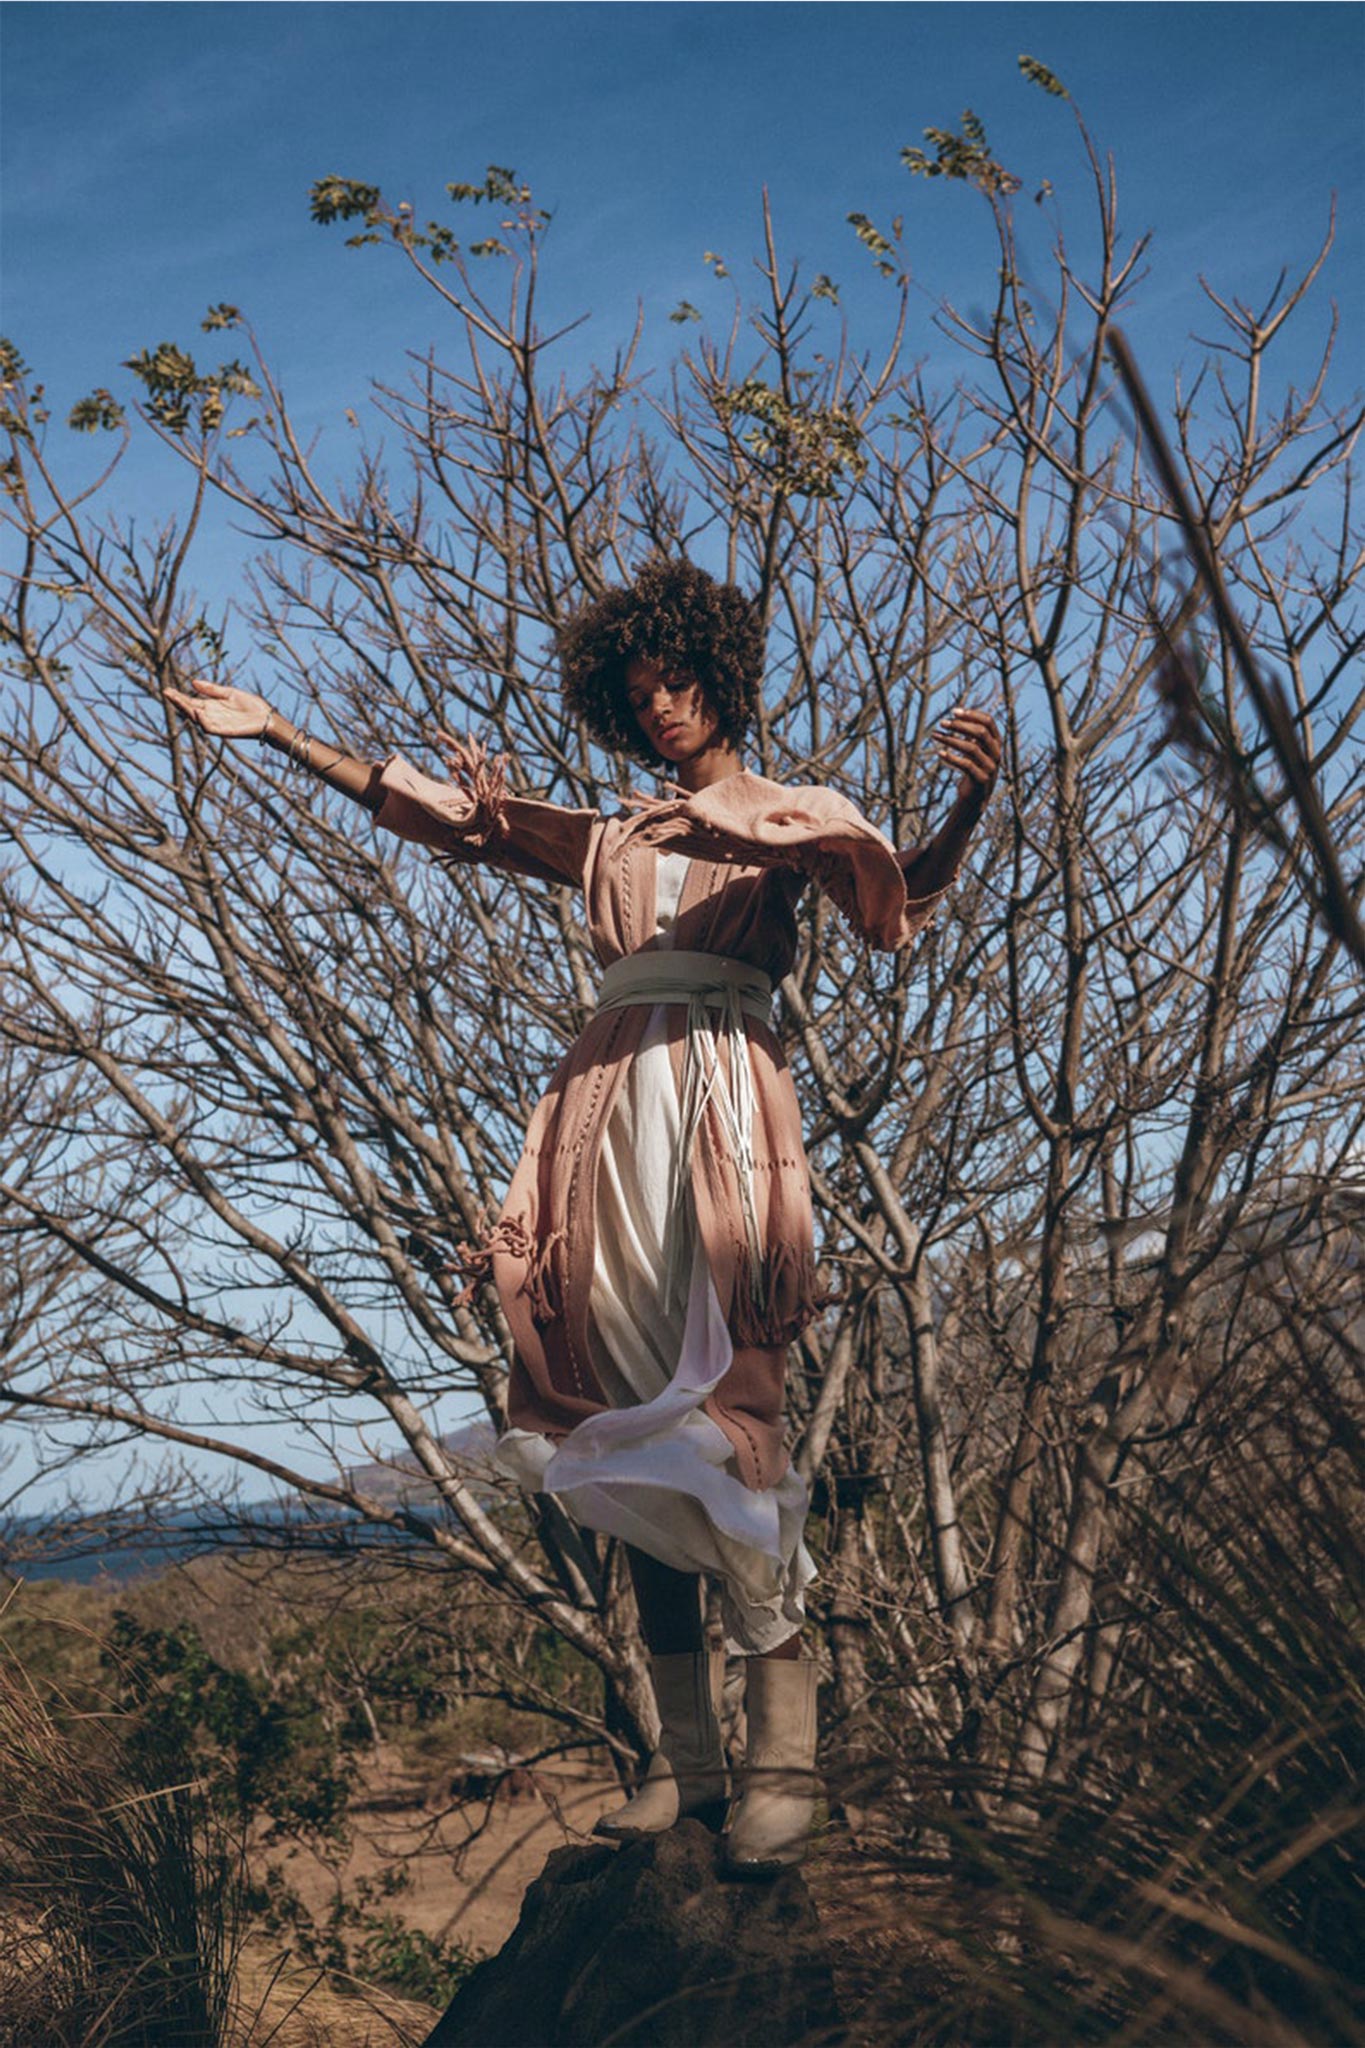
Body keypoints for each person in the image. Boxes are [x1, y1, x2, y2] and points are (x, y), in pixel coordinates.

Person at [165, 556, 1000, 1876]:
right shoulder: (611, 831)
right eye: (637, 692)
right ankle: (687, 1765)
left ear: (717, 679)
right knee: (621, 1425)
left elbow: (892, 888)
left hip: (724, 1112)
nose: (661, 706)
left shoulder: (795, 813)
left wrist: (965, 801)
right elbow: (435, 813)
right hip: (604, 1118)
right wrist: (276, 732)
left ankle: (784, 1764)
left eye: (677, 681)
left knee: (731, 1410)